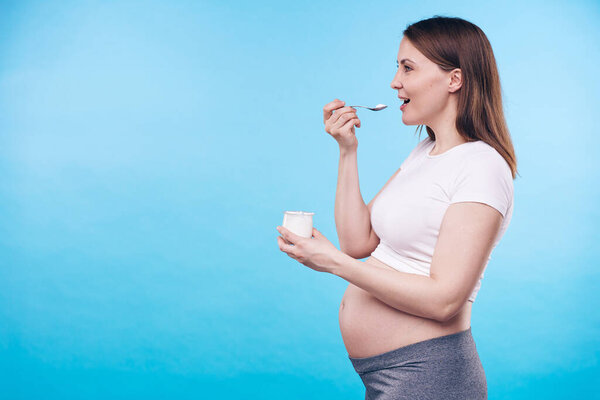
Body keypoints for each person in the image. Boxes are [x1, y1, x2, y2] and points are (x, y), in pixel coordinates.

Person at [276, 15, 517, 400]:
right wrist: (347, 150)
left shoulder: (483, 167)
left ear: (454, 80)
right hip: (392, 376)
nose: (395, 82)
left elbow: (444, 300)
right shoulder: (426, 152)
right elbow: (359, 241)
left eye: (408, 68)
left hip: (429, 376)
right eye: (397, 67)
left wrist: (334, 264)